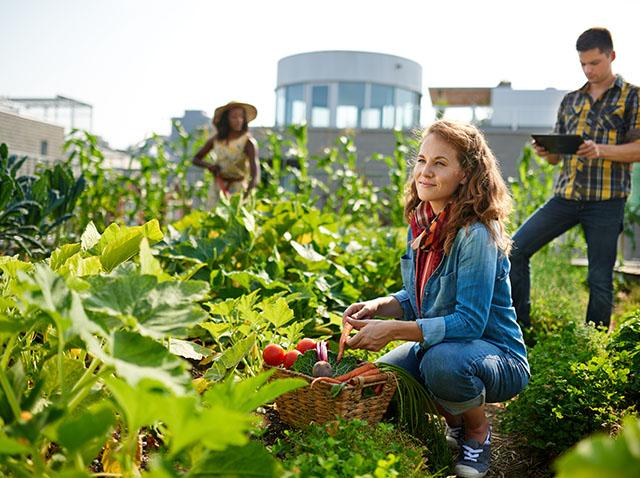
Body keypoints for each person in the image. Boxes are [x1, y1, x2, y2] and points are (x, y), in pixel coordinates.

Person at [341, 120, 530, 478]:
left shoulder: (476, 234)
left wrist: (394, 330)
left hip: (496, 354)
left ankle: (476, 431)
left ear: (465, 174)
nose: (425, 172)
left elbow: (470, 323)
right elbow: (419, 298)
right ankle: (454, 417)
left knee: (441, 364)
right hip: (445, 346)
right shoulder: (423, 224)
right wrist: (381, 307)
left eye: (440, 163)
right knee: (386, 377)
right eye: (421, 160)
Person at [510, 27, 640, 329]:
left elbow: (637, 148)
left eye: (595, 63)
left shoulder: (632, 97)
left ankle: (593, 345)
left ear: (612, 56)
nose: (588, 70)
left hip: (606, 202)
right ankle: (520, 330)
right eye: (583, 63)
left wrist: (600, 150)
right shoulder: (571, 101)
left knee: (599, 279)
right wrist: (548, 152)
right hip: (565, 197)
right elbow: (559, 156)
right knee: (515, 249)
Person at [192, 101, 260, 206]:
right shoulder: (216, 140)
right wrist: (210, 166)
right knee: (212, 216)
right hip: (218, 186)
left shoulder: (248, 142)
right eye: (234, 117)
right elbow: (196, 159)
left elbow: (254, 174)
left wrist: (246, 195)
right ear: (226, 120)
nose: (238, 120)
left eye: (241, 117)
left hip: (238, 188)